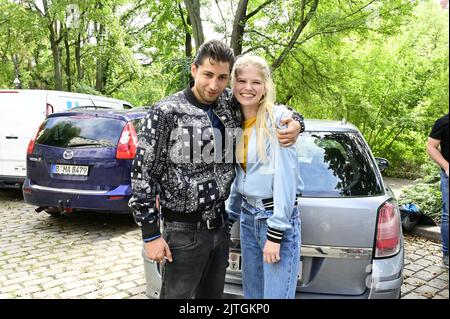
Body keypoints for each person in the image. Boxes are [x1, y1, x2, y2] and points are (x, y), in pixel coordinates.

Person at [129, 40, 305, 299]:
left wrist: (298, 123)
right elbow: (142, 175)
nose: (214, 85)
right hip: (182, 231)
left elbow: (268, 108)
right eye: (208, 75)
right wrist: (150, 234)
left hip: (220, 229)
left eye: (222, 78)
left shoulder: (228, 107)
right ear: (193, 70)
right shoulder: (166, 112)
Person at [226, 55, 302, 299]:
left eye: (256, 82)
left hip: (274, 220)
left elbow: (286, 179)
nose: (248, 88)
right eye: (242, 81)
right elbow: (241, 175)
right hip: (248, 219)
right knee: (253, 297)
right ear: (233, 84)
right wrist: (229, 217)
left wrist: (276, 233)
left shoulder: (279, 119)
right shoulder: (233, 119)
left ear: (266, 86)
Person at [426, 113, 449, 267]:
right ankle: (447, 253)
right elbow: (431, 147)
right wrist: (447, 166)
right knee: (449, 214)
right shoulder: (443, 122)